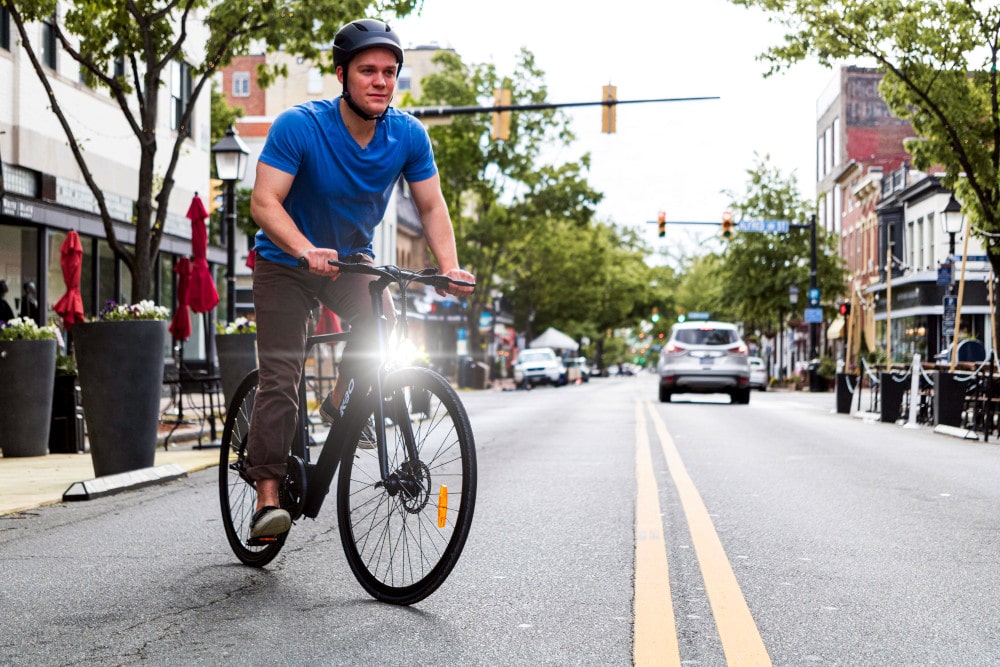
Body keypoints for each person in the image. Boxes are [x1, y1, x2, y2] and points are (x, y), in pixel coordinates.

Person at [246, 18, 475, 540]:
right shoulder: (300, 125)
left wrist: (447, 267)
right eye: (368, 70)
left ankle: (339, 402)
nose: (380, 81)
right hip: (285, 262)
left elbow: (432, 205)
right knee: (281, 374)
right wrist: (304, 249)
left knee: (384, 326)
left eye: (390, 72)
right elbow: (264, 202)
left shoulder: (408, 135)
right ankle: (266, 497)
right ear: (341, 73)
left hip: (350, 261)